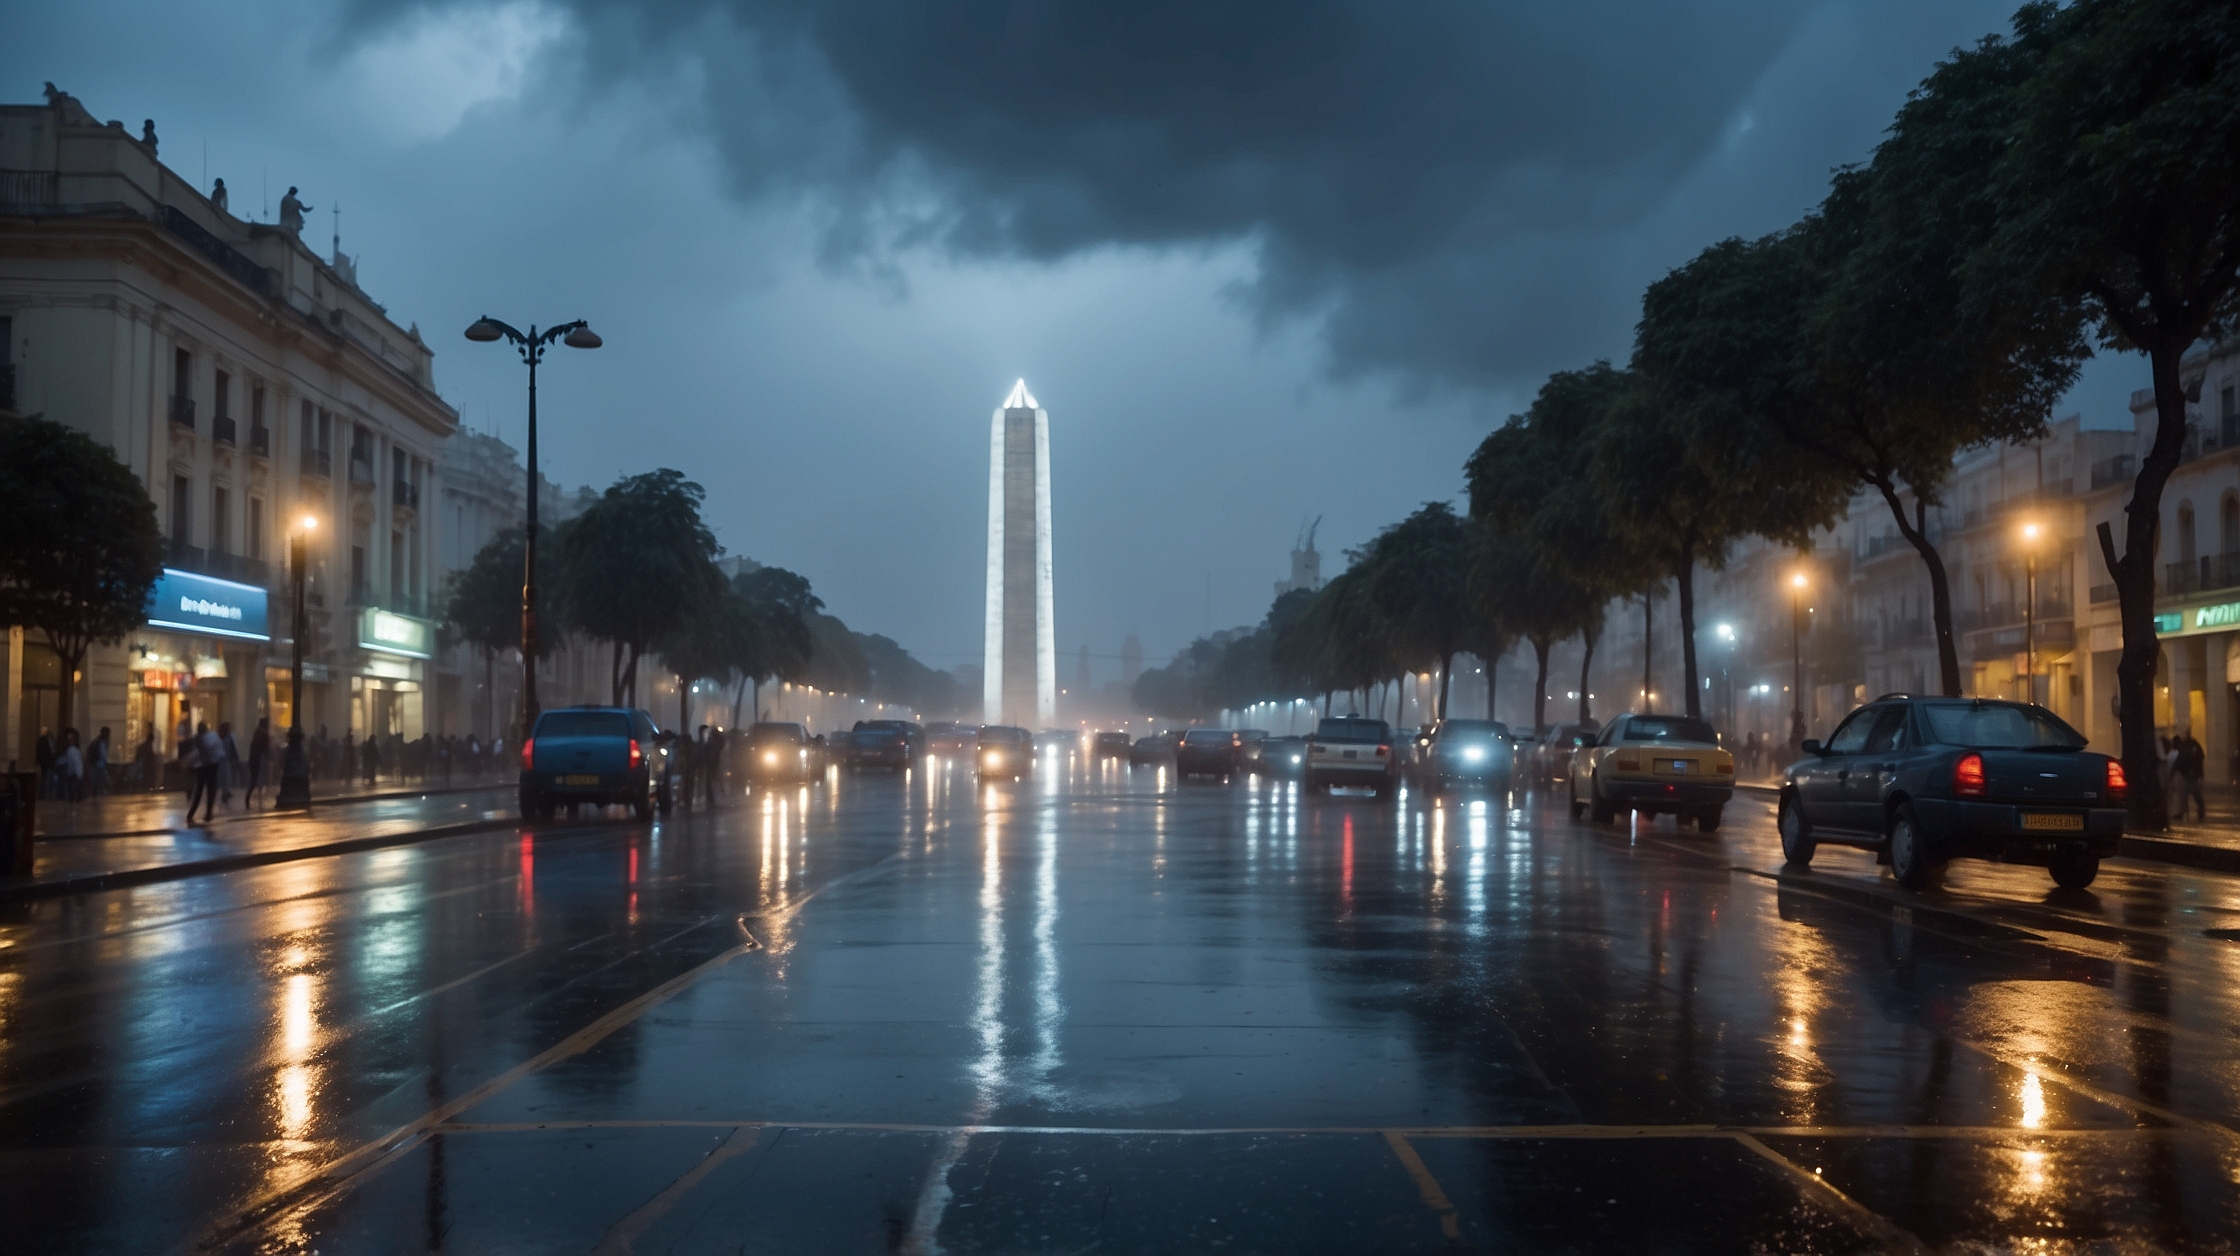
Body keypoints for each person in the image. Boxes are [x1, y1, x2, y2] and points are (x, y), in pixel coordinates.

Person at [184, 721, 222, 825]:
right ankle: (207, 814)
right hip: (210, 766)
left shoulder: (199, 738)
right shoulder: (210, 737)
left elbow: (199, 752)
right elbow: (214, 751)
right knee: (209, 791)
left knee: (200, 791)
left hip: (202, 767)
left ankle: (194, 814)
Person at [2176, 732, 2208, 823]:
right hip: (2189, 774)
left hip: (2190, 775)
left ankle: (2187, 812)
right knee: (2192, 795)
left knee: (2191, 794)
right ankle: (2197, 811)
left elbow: (2196, 759)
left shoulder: (2190, 746)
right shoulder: (2193, 746)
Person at [245, 718, 271, 808]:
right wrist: (269, 757)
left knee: (254, 780)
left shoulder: (257, 733)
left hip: (254, 760)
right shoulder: (263, 734)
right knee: (258, 780)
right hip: (259, 760)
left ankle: (249, 798)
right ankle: (253, 798)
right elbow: (265, 749)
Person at [57, 729, 84, 803]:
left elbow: (73, 762)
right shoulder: (73, 750)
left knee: (71, 788)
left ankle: (71, 799)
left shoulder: (71, 750)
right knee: (71, 788)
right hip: (73, 773)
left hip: (72, 773)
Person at [218, 721, 241, 806]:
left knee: (226, 776)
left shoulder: (227, 737)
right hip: (222, 759)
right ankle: (225, 792)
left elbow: (233, 748)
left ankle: (226, 792)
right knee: (225, 776)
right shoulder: (226, 737)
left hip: (225, 759)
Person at [87, 726, 111, 798]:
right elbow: (91, 753)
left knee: (101, 781)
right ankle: (96, 795)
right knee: (96, 781)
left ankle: (98, 794)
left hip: (101, 765)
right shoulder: (96, 743)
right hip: (96, 765)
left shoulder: (105, 742)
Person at [34, 728, 55, 799]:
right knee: (46, 780)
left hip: (44, 763)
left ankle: (43, 795)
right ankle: (45, 795)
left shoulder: (40, 741)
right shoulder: (47, 741)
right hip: (47, 763)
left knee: (44, 780)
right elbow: (50, 752)